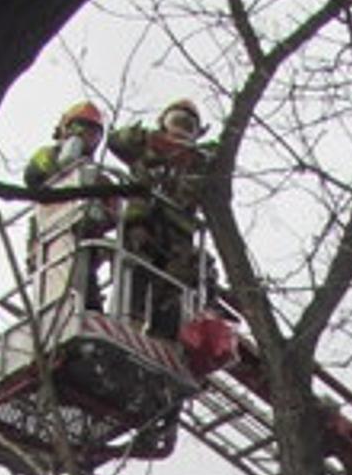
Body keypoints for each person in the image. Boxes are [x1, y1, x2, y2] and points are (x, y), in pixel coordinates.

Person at [106, 99, 214, 335]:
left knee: (175, 286)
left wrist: (205, 155)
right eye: (176, 120)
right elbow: (114, 140)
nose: (181, 128)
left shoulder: (198, 164)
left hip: (179, 236)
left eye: (189, 125)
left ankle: (168, 335)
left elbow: (217, 185)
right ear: (164, 123)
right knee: (136, 269)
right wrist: (147, 139)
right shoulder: (148, 148)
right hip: (143, 223)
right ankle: (129, 322)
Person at [24, 101, 116, 310]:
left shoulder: (99, 176)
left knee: (87, 289)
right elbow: (32, 175)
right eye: (79, 128)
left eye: (92, 133)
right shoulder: (47, 154)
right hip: (49, 233)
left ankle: (91, 308)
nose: (84, 136)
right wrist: (64, 165)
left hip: (85, 237)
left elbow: (113, 211)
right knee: (51, 285)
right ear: (65, 129)